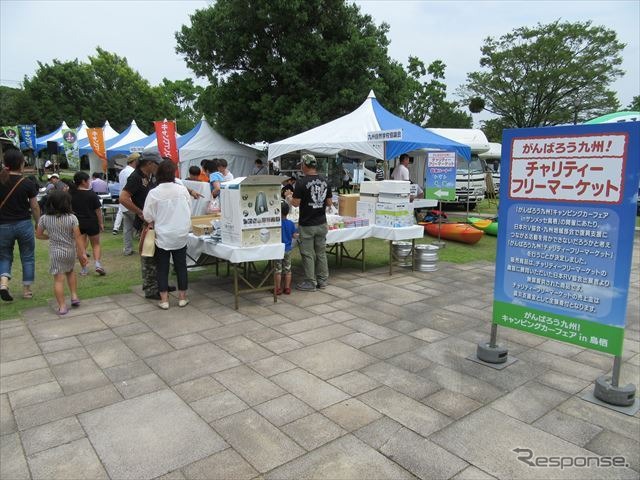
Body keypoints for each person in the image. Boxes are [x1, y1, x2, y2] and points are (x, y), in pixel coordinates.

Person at [119, 151, 171, 300]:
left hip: (156, 221)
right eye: (156, 164)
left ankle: (161, 284)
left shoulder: (150, 176)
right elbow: (123, 198)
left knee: (158, 254)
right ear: (149, 164)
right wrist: (140, 212)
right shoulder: (135, 177)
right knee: (148, 255)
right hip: (146, 223)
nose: (158, 167)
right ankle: (150, 288)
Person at [143, 159, 192, 310]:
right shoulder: (182, 190)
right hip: (180, 233)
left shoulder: (154, 193)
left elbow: (147, 216)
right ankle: (182, 297)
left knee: (162, 267)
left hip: (162, 235)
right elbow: (189, 209)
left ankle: (164, 300)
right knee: (181, 266)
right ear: (173, 173)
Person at [35, 190, 88, 315]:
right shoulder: (72, 218)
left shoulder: (44, 219)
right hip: (70, 251)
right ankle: (74, 296)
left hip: (55, 252)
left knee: (58, 279)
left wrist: (48, 237)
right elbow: (78, 237)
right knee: (70, 272)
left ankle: (62, 306)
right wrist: (83, 253)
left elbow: (38, 235)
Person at [0, 149, 40, 301]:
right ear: (21, 163)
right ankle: (27, 290)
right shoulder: (27, 183)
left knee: (4, 256)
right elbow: (35, 206)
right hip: (24, 224)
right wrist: (38, 223)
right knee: (27, 256)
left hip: (3, 225)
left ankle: (3, 283)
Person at [288, 154, 332, 292]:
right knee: (321, 253)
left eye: (301, 164)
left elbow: (295, 204)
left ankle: (310, 282)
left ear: (305, 165)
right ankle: (323, 281)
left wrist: (289, 196)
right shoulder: (325, 181)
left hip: (307, 224)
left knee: (307, 254)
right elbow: (330, 202)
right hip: (321, 222)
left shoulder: (301, 183)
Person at [70, 171, 106, 275]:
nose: (89, 182)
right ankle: (98, 264)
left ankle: (84, 269)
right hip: (92, 222)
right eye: (88, 180)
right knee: (96, 244)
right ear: (83, 181)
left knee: (80, 247)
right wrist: (101, 223)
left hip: (78, 223)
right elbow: (98, 211)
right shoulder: (91, 194)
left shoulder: (71, 194)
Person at [113, 153, 138, 252]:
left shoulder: (123, 171)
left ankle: (127, 249)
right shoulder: (133, 172)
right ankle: (145, 249)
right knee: (141, 227)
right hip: (131, 203)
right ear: (135, 161)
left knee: (127, 229)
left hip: (123, 204)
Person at [274, 202, 297, 295]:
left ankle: (278, 288)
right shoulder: (291, 224)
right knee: (288, 270)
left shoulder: (276, 224)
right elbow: (295, 235)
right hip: (287, 249)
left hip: (278, 250)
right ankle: (287, 288)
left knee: (277, 270)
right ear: (288, 212)